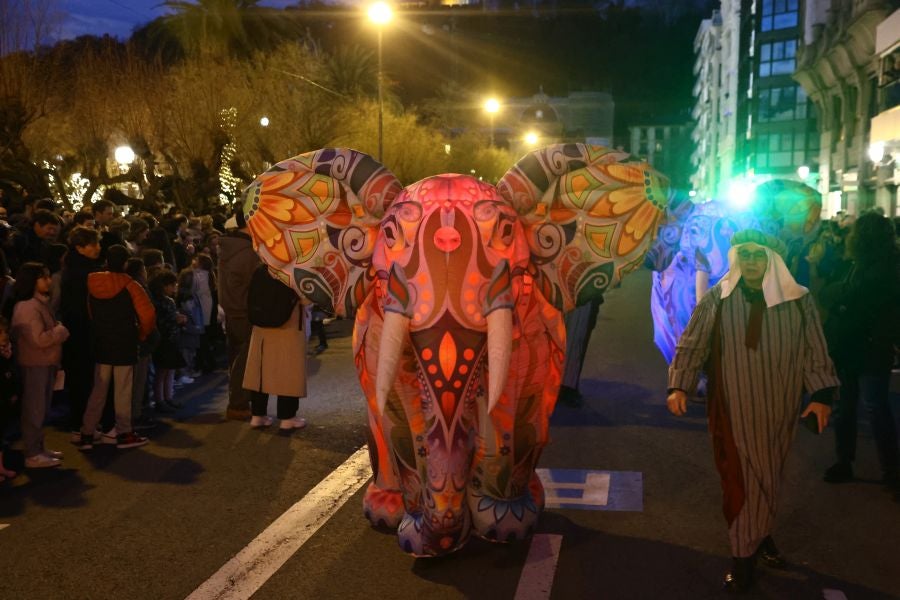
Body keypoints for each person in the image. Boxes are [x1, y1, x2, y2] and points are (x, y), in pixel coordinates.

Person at [666, 229, 839, 593]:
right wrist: (679, 384)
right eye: (744, 255)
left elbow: (814, 350)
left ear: (773, 259)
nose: (751, 262)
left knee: (769, 474)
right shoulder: (719, 298)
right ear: (735, 259)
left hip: (780, 407)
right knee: (741, 480)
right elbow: (692, 342)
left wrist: (821, 394)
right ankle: (742, 557)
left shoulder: (798, 300)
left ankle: (761, 536)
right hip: (733, 407)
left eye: (758, 255)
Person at [821, 212, 900, 488]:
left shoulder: (868, 266)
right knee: (873, 407)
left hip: (859, 343)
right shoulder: (886, 264)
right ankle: (889, 471)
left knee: (853, 406)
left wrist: (840, 303)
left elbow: (856, 299)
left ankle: (848, 462)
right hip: (870, 345)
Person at [77, 245, 155, 450]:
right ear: (125, 262)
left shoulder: (92, 281)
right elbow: (148, 316)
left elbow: (90, 311)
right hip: (125, 342)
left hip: (102, 341)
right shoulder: (131, 285)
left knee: (98, 389)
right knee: (123, 390)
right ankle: (124, 433)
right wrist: (141, 333)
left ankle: (87, 432)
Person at [8, 262, 69, 468]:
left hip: (44, 362)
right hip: (34, 363)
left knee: (41, 408)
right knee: (34, 408)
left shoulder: (38, 303)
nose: (49, 281)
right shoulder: (28, 307)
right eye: (44, 277)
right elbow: (39, 340)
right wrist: (60, 331)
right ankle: (32, 452)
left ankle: (39, 448)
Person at [242, 264, 307, 431]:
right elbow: (307, 298)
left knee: (260, 370)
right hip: (289, 327)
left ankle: (258, 415)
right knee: (287, 369)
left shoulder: (260, 270)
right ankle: (287, 417)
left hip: (261, 328)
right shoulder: (292, 270)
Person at [59, 226, 103, 443]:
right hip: (81, 331)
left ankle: (84, 423)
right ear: (79, 247)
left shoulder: (77, 268)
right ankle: (82, 425)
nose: (97, 248)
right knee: (82, 379)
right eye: (92, 244)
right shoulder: (81, 272)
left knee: (82, 379)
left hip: (80, 330)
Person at [218, 206, 260, 421]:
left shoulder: (229, 247)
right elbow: (253, 284)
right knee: (245, 360)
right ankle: (238, 404)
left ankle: (239, 400)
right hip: (244, 310)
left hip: (230, 308)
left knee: (236, 358)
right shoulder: (247, 252)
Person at [149, 269, 186, 411]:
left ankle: (166, 398)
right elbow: (166, 320)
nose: (175, 288)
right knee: (164, 371)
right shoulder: (165, 302)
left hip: (164, 339)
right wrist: (178, 319)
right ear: (165, 286)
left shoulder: (155, 300)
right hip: (167, 339)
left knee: (166, 370)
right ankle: (162, 399)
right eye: (173, 285)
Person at [0, 317, 19, 482]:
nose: (5, 335)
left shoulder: (6, 350)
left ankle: (0, 467)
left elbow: (10, 374)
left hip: (5, 398)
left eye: (5, 331)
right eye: (1, 332)